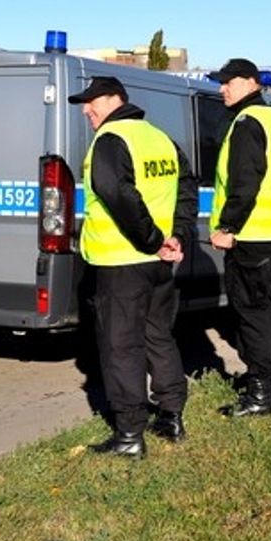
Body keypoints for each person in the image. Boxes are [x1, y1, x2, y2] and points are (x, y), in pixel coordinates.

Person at [68, 76, 198, 458]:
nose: (85, 109)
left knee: (121, 346)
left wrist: (155, 240)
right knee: (159, 336)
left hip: (122, 261)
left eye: (91, 101)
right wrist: (176, 235)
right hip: (156, 265)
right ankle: (171, 416)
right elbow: (187, 187)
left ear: (114, 100)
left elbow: (118, 194)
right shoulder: (160, 138)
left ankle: (128, 435)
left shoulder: (111, 141)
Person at [207, 58, 271, 416]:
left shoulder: (247, 123)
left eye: (227, 82)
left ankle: (260, 394)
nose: (221, 88)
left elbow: (246, 183)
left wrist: (228, 227)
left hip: (252, 238)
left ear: (249, 82)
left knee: (252, 317)